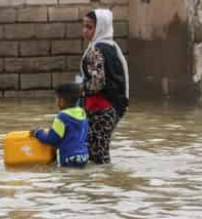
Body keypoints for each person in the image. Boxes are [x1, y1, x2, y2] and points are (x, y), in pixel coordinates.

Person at [80, 9, 129, 164]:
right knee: (99, 154)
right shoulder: (111, 47)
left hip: (101, 110)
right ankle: (107, 185)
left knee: (97, 158)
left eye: (90, 27)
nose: (85, 31)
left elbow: (97, 83)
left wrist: (79, 89)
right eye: (84, 26)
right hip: (110, 108)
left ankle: (102, 186)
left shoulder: (96, 50)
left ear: (100, 28)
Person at [31, 83, 89, 168]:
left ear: (61, 101)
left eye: (56, 98)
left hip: (68, 158)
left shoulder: (62, 117)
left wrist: (38, 132)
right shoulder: (82, 113)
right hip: (84, 156)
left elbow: (51, 139)